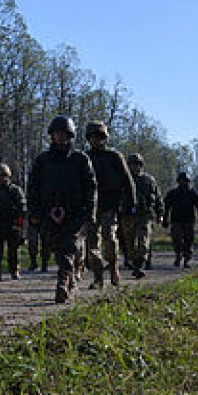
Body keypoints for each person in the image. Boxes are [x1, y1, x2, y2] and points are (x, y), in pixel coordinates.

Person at [26, 115, 97, 304]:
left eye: (64, 134)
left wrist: (89, 212)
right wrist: (33, 212)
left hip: (74, 212)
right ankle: (70, 276)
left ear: (70, 136)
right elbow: (32, 187)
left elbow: (91, 187)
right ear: (52, 135)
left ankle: (62, 284)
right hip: (47, 211)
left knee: (68, 246)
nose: (61, 138)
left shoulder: (80, 159)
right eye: (57, 134)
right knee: (57, 248)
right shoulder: (42, 160)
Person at [82, 121, 136, 289]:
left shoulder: (114, 157)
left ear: (104, 138)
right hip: (91, 207)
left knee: (110, 239)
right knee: (92, 243)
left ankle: (113, 267)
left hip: (110, 205)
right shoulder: (84, 158)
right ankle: (98, 277)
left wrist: (131, 203)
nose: (95, 140)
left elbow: (128, 181)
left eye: (98, 137)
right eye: (92, 137)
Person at [120, 153, 163, 278]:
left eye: (137, 165)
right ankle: (134, 263)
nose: (135, 167)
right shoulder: (123, 180)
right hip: (127, 215)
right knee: (129, 243)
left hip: (145, 215)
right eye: (132, 165)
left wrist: (160, 213)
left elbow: (158, 197)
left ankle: (140, 265)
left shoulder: (148, 180)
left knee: (143, 241)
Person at [163, 171, 198, 268]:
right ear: (178, 181)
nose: (184, 183)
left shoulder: (192, 193)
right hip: (176, 220)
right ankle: (178, 255)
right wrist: (164, 219)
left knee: (188, 240)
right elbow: (166, 207)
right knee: (176, 239)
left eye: (186, 181)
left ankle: (186, 259)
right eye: (182, 181)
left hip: (189, 221)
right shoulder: (172, 193)